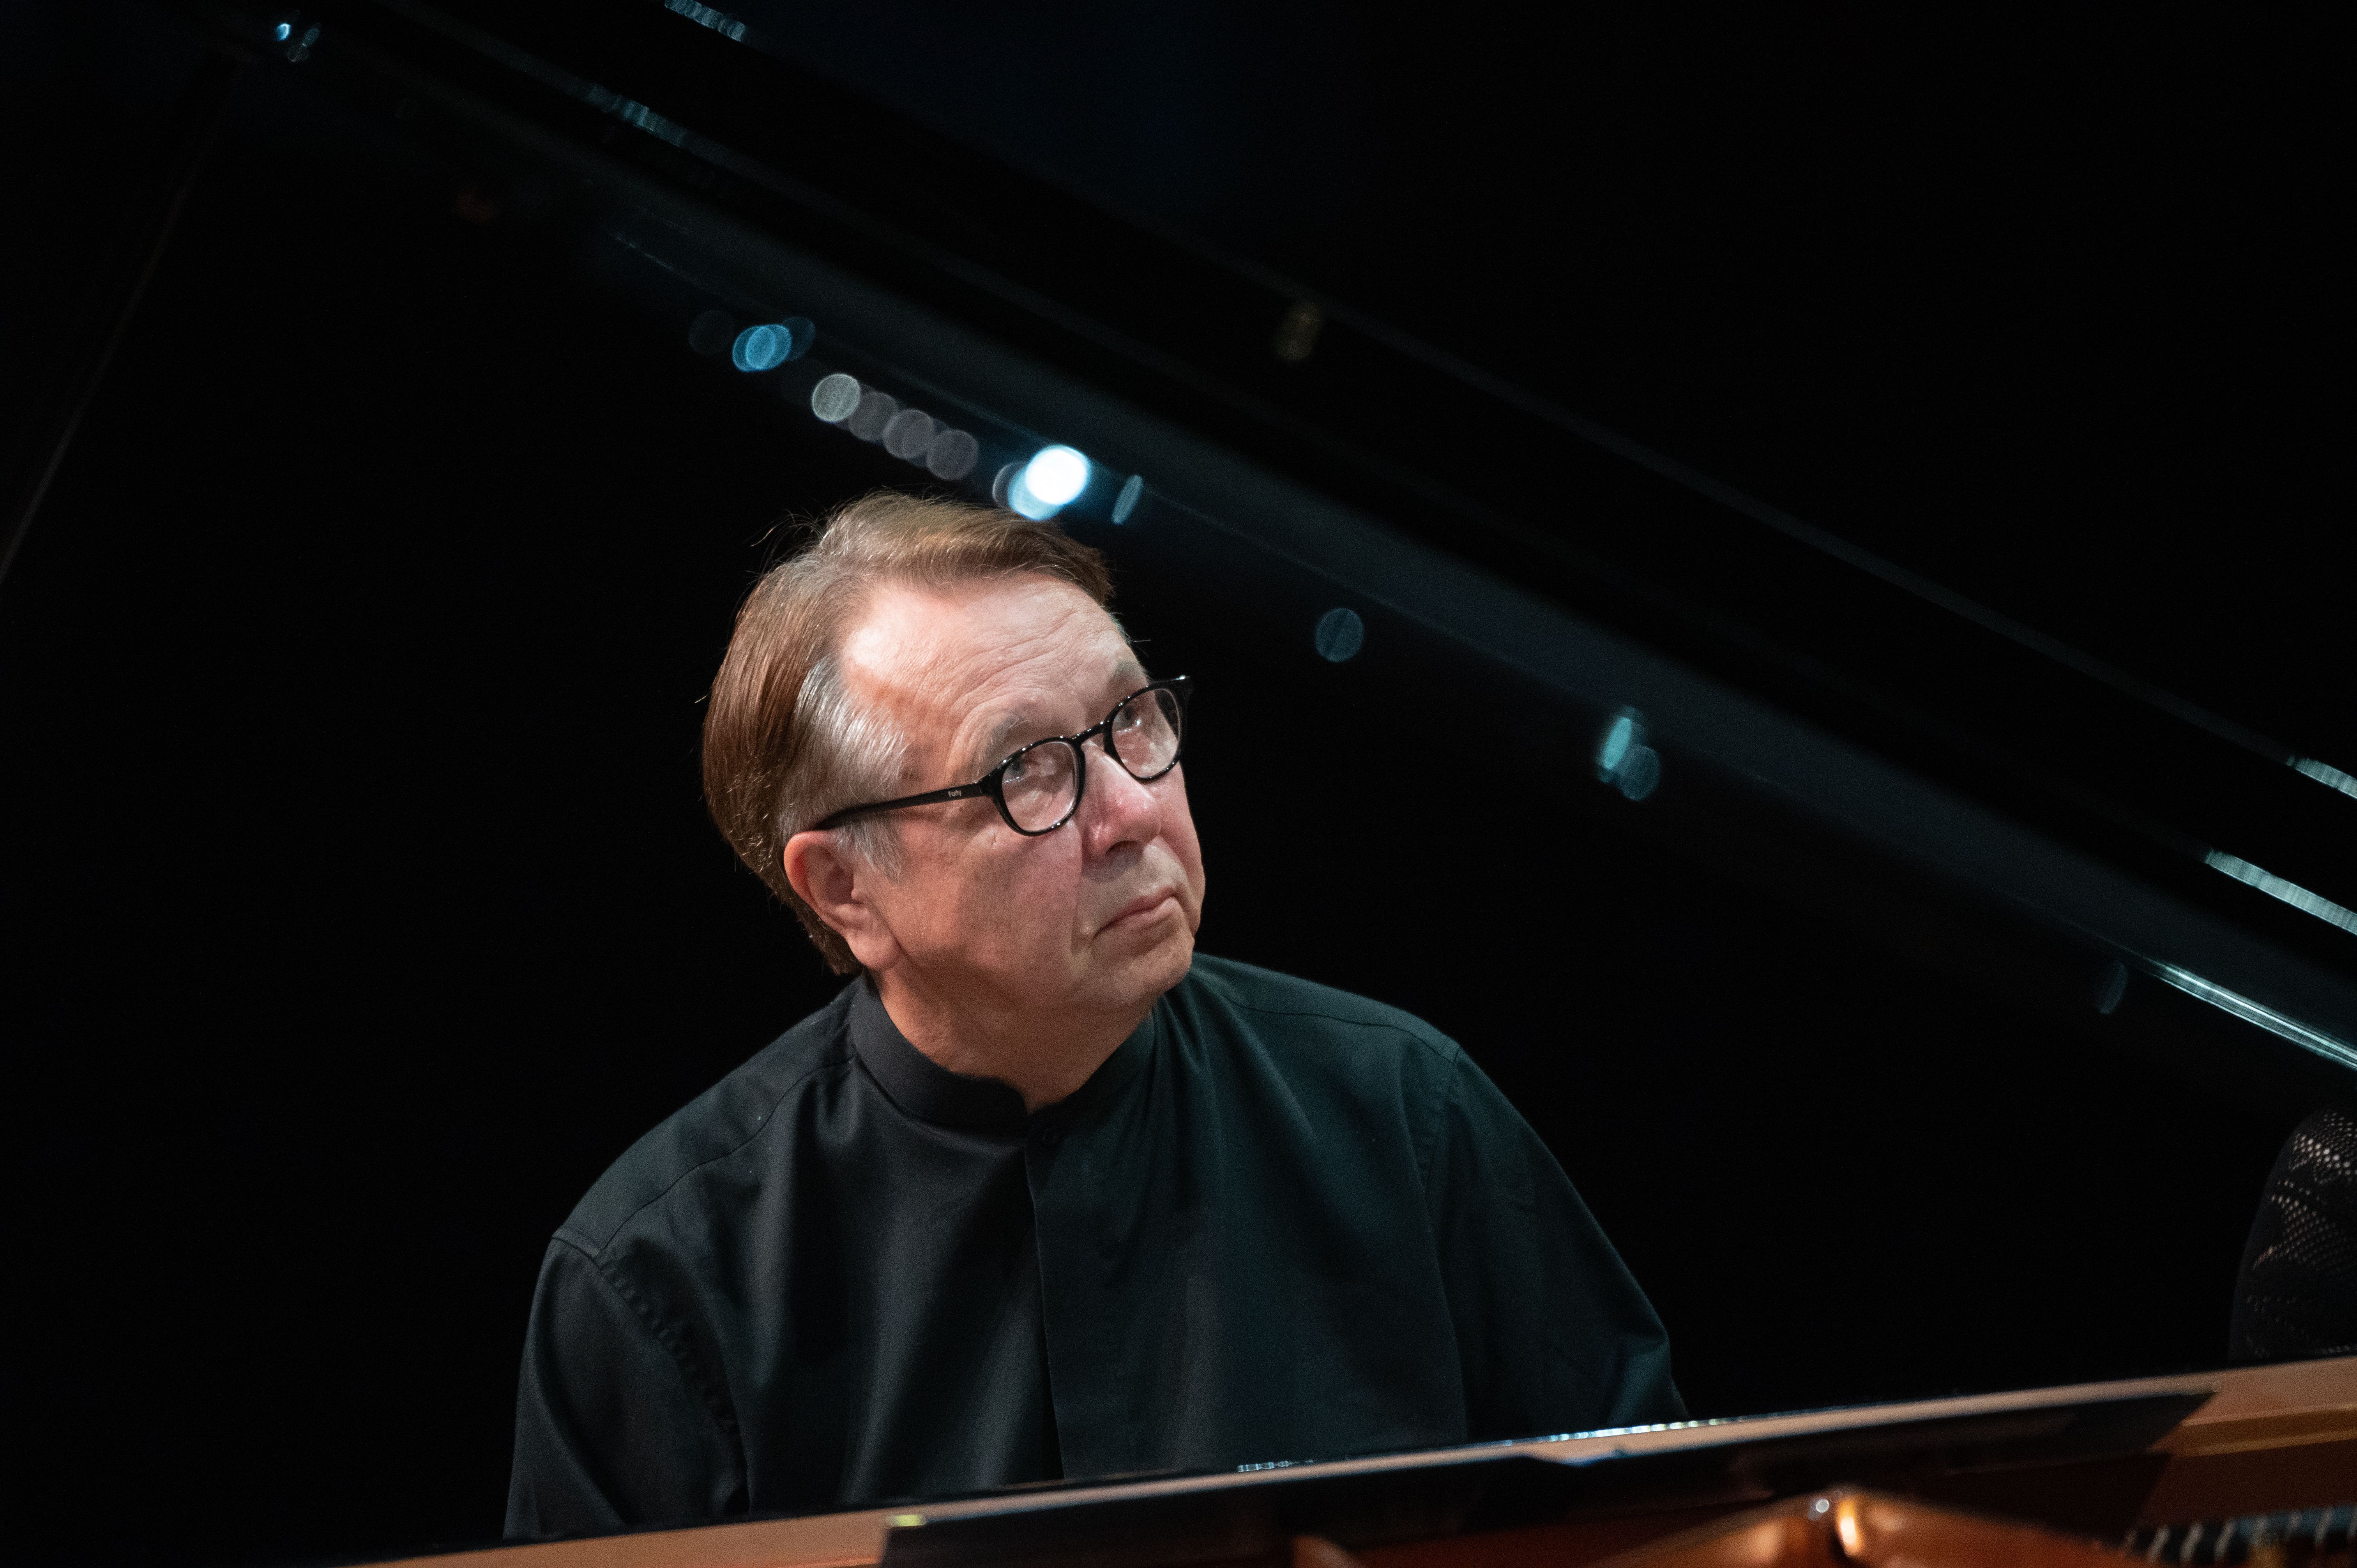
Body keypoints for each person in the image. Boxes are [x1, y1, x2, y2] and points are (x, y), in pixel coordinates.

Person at [505, 493, 1682, 1538]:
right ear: (847, 888)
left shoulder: (1404, 1110)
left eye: (1133, 722)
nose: (1130, 812)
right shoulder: (660, 1275)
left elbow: (1667, 1527)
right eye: (1025, 769)